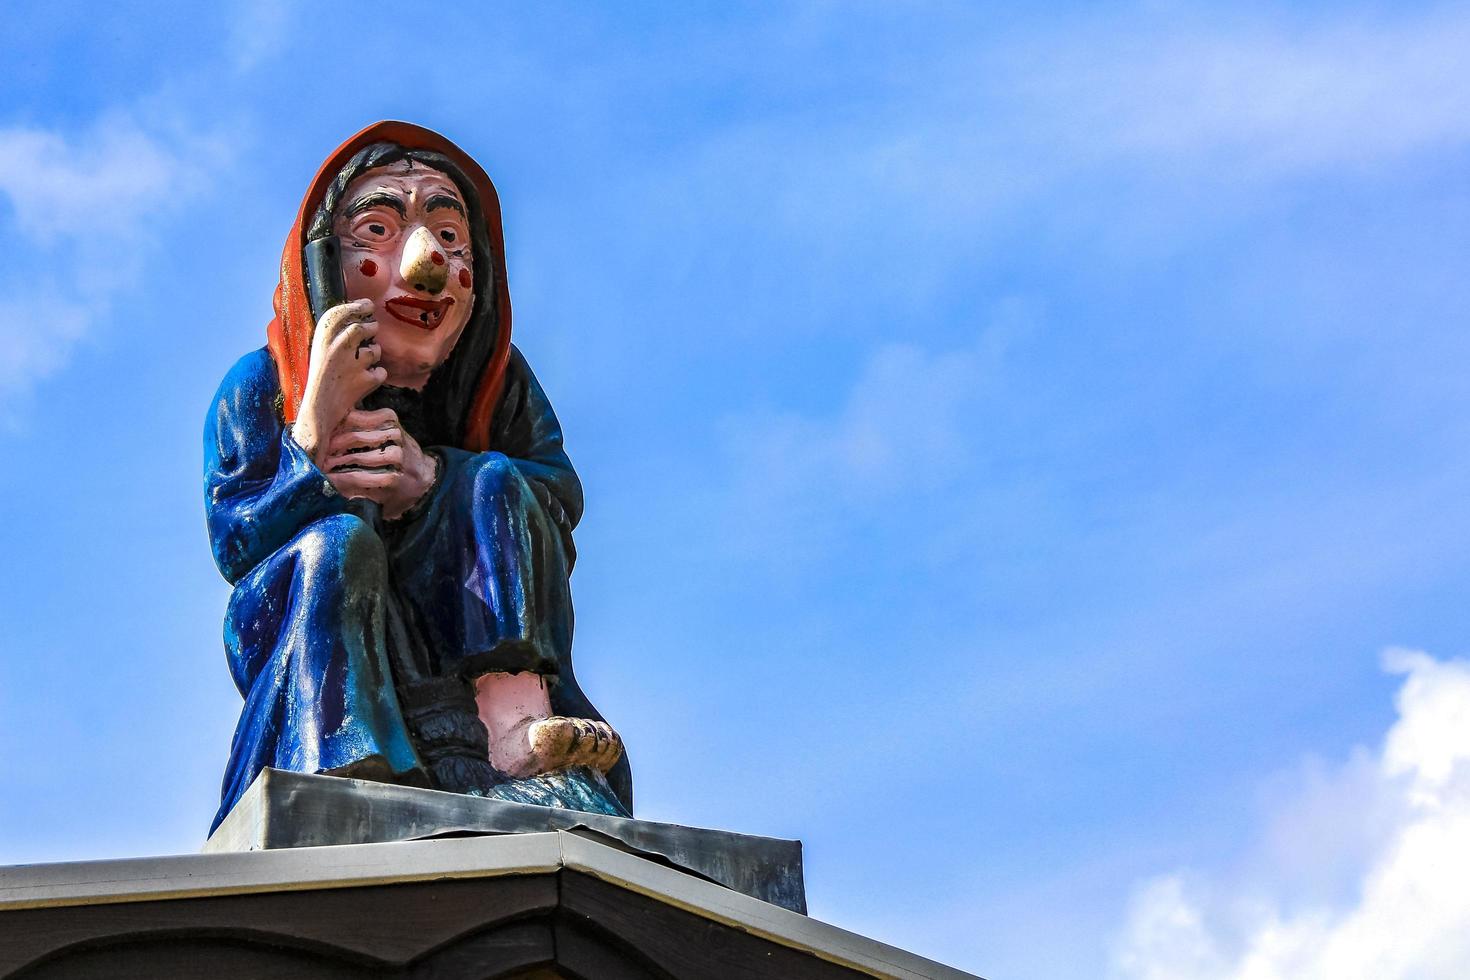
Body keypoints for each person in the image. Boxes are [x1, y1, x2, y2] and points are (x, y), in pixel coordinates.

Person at [203, 122, 629, 833]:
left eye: (450, 238)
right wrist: (311, 441)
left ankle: (515, 718)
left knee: (495, 480)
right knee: (335, 547)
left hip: (458, 621)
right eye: (377, 230)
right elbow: (236, 540)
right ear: (325, 259)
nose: (425, 265)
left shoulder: (500, 388)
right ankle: (340, 754)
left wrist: (433, 481)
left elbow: (556, 495)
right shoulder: (260, 386)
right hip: (315, 620)